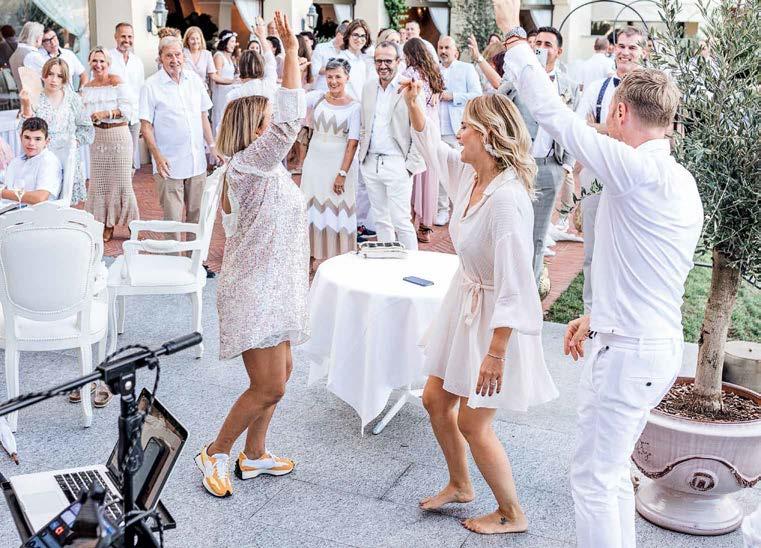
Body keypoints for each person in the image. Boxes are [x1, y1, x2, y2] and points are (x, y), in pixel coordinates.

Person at [493, 1, 704, 546]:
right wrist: (596, 316)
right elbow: (646, 265)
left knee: (592, 480)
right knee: (609, 478)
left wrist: (515, 35)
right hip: (646, 341)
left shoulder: (634, 169)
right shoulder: (678, 179)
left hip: (630, 353)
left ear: (620, 112)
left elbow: (552, 114)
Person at [401, 77, 558, 535]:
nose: (459, 132)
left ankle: (511, 513)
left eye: (467, 126)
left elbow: (518, 284)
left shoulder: (507, 200)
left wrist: (496, 353)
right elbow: (433, 149)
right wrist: (414, 104)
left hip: (496, 323)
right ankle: (460, 484)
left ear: (487, 136)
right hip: (465, 303)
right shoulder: (471, 174)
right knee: (435, 399)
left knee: (473, 420)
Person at [196, 11, 307, 498]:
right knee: (269, 386)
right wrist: (291, 51)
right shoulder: (247, 167)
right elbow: (290, 119)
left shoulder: (262, 168)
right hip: (255, 289)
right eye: (267, 121)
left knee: (282, 375)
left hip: (275, 285)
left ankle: (255, 454)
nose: (274, 129)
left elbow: (278, 110)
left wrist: (270, 52)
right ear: (255, 129)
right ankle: (215, 450)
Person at [472, 27, 580, 282]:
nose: (541, 47)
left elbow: (573, 124)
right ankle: (501, 284)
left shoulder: (569, 86)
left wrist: (565, 165)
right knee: (507, 228)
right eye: (537, 43)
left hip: (550, 167)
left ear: (559, 51)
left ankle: (529, 291)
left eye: (547, 44)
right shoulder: (519, 79)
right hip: (516, 166)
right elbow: (495, 105)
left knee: (538, 236)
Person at [575, 25, 648, 314]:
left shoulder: (649, 91)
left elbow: (654, 134)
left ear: (643, 51)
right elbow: (580, 129)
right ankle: (591, 312)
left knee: (631, 246)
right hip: (597, 171)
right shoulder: (597, 88)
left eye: (632, 47)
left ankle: (623, 310)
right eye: (622, 46)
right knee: (592, 247)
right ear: (613, 48)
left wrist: (600, 127)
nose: (626, 52)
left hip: (634, 174)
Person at [139, 36, 222, 245]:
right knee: (173, 220)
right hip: (169, 164)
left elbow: (203, 116)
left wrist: (212, 146)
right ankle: (174, 259)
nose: (174, 60)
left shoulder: (194, 80)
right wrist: (157, 156)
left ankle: (194, 258)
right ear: (160, 58)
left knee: (196, 216)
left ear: (183, 56)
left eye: (177, 55)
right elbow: (146, 126)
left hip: (196, 161)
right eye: (169, 56)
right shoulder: (150, 85)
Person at [358, 41, 425, 251]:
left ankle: (412, 266)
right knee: (381, 220)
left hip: (398, 163)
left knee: (401, 221)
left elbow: (420, 130)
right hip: (371, 162)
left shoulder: (410, 87)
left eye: (388, 61)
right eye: (378, 61)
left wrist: (409, 167)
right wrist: (363, 159)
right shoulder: (368, 87)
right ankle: (387, 264)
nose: (383, 66)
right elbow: (364, 124)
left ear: (398, 61)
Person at [301, 57, 360, 266]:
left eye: (337, 77)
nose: (333, 81)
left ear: (347, 77)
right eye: (329, 77)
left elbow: (353, 143)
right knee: (310, 208)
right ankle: (308, 259)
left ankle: (337, 263)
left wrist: (342, 174)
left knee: (337, 210)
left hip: (338, 165)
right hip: (313, 162)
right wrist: (298, 72)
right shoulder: (317, 97)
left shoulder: (355, 107)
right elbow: (293, 99)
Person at [81, 47, 138, 244]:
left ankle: (132, 223)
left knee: (122, 182)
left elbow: (128, 110)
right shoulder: (87, 88)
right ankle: (106, 224)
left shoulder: (117, 82)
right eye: (94, 61)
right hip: (97, 138)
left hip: (118, 135)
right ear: (90, 63)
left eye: (102, 61)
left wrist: (106, 113)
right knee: (99, 183)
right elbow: (82, 114)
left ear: (108, 63)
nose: (98, 65)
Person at [18, 58, 94, 205]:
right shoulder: (34, 97)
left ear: (65, 78)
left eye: (59, 76)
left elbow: (86, 128)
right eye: (50, 74)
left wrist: (74, 143)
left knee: (66, 206)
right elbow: (23, 131)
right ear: (43, 75)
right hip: (42, 159)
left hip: (67, 159)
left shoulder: (72, 98)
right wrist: (26, 105)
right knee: (41, 204)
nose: (54, 80)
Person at [436, 35, 483, 226]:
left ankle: (461, 209)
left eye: (447, 47)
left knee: (462, 171)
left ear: (455, 51)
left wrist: (453, 96)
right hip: (437, 128)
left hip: (458, 130)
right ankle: (442, 210)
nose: (443, 51)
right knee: (440, 172)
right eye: (440, 47)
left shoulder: (466, 69)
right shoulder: (434, 69)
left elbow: (477, 95)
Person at [402, 37, 444, 243]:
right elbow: (438, 95)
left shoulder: (409, 73)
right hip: (433, 126)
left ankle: (410, 220)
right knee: (430, 174)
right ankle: (425, 226)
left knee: (414, 173)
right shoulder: (435, 73)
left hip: (418, 124)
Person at [109, 22, 146, 171]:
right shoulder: (107, 58)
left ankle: (127, 184)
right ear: (116, 37)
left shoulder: (137, 62)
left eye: (130, 37)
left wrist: (142, 118)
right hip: (114, 117)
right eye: (123, 36)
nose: (127, 40)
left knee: (129, 159)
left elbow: (141, 91)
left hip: (134, 117)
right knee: (115, 158)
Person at [1, 117, 61, 204]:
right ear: (21, 137)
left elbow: (40, 198)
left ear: (46, 141)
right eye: (27, 137)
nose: (31, 143)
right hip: (11, 208)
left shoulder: (49, 161)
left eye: (37, 139)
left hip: (36, 211)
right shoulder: (16, 162)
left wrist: (2, 193)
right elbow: (8, 189)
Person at [339, 19, 373, 100]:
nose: (359, 39)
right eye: (355, 35)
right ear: (348, 36)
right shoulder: (341, 60)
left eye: (363, 36)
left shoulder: (366, 59)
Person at [211, 30, 238, 133]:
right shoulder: (219, 56)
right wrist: (233, 82)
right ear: (225, 42)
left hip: (229, 93)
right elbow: (217, 78)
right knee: (220, 119)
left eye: (235, 41)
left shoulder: (229, 57)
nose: (234, 44)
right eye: (232, 41)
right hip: (221, 94)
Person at [311, 23, 346, 92]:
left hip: (343, 91)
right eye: (347, 37)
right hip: (323, 90)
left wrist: (327, 69)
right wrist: (337, 68)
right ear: (339, 35)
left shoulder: (348, 51)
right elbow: (315, 70)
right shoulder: (321, 47)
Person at [9, 22, 45, 88]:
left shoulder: (16, 53)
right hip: (37, 93)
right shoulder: (32, 55)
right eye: (41, 37)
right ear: (37, 38)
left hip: (23, 93)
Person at [183, 26, 217, 90]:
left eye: (197, 38)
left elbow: (213, 76)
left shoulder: (207, 54)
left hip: (202, 90)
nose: (195, 41)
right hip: (185, 90)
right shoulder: (182, 53)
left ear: (201, 39)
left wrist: (231, 81)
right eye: (192, 39)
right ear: (187, 40)